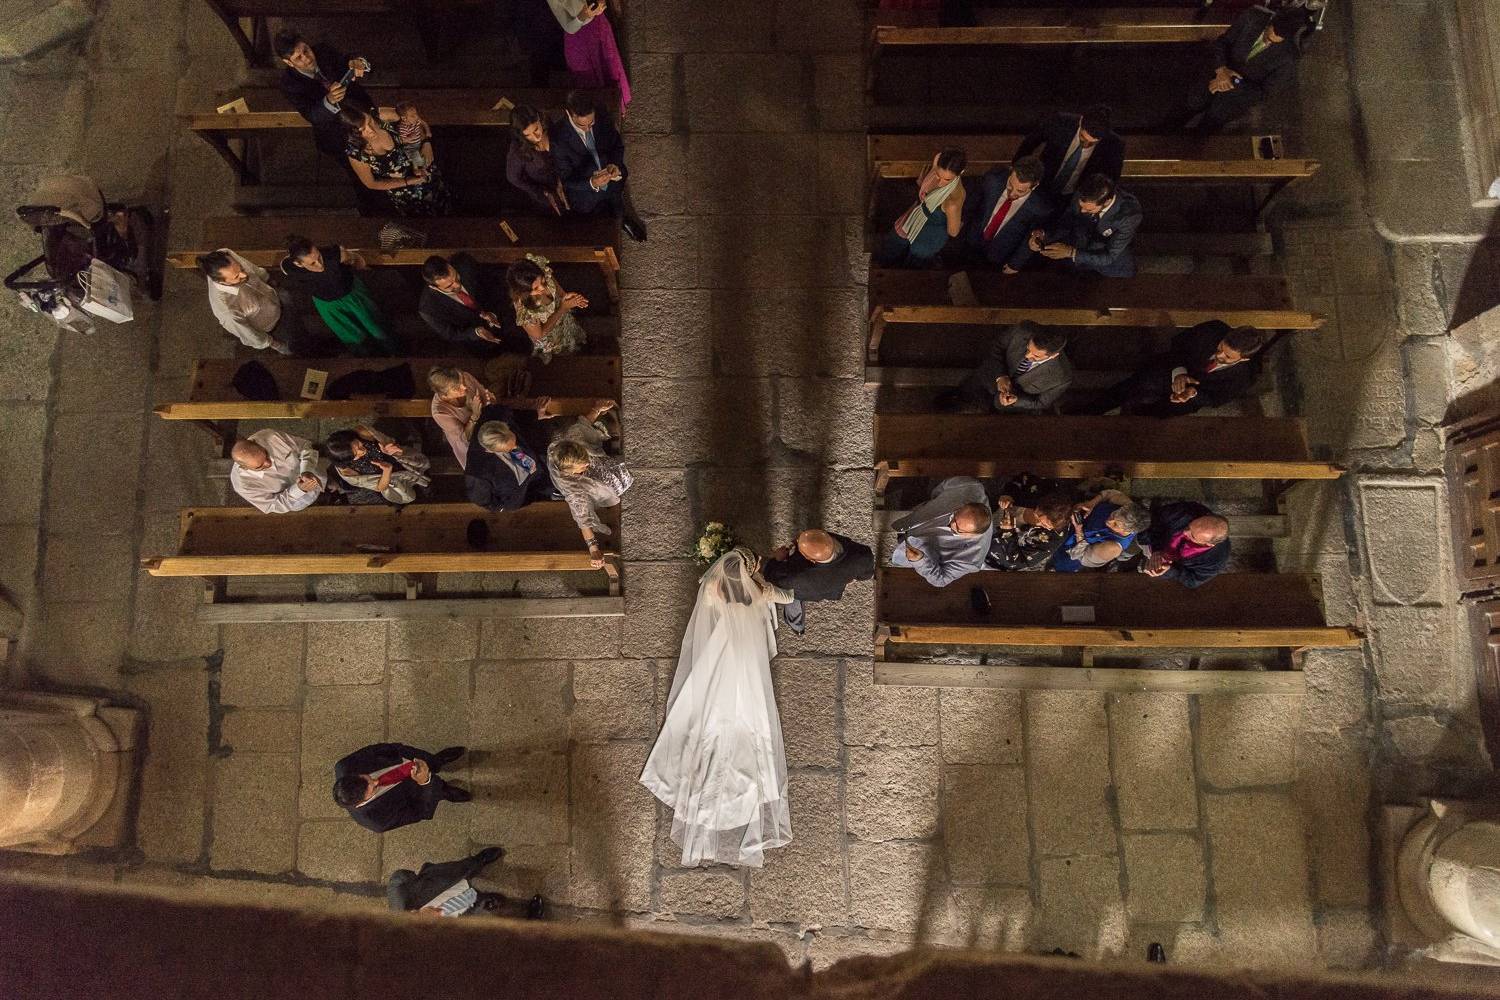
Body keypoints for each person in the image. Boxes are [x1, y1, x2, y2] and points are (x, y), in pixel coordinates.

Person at [640, 547, 795, 868]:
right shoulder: (758, 593)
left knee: (706, 712)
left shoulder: (712, 591)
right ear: (748, 571)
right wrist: (762, 583)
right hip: (747, 664)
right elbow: (788, 598)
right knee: (751, 717)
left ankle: (706, 790)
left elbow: (707, 599)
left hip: (720, 654)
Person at [1091, 321, 1268, 416]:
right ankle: (1090, 410)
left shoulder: (1245, 377)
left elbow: (1216, 399)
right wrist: (1180, 372)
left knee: (1152, 415)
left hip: (1184, 401)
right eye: (1221, 347)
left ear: (1244, 359)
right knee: (1131, 387)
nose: (1219, 355)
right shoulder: (1212, 330)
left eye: (1228, 357)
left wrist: (1192, 394)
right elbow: (1178, 343)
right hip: (1167, 369)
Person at [1183, 7, 1311, 135]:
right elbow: (1222, 42)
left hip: (1232, 101)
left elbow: (1264, 93)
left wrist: (1233, 80)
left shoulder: (1290, 56)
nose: (1267, 42)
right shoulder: (1251, 17)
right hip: (1212, 76)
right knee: (1187, 108)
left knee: (1205, 131)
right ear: (1270, 22)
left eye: (1272, 42)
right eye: (1267, 36)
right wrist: (1221, 69)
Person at [545, 400, 631, 568]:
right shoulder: (574, 489)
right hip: (591, 483)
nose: (587, 465)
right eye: (582, 466)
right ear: (568, 471)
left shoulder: (571, 440)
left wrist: (597, 409)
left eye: (585, 461)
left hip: (596, 464)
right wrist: (594, 549)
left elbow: (581, 425)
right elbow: (583, 520)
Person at [550, 91, 646, 240]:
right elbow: (567, 179)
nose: (588, 129)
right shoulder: (558, 138)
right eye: (582, 125)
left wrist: (615, 163)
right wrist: (591, 183)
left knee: (616, 200)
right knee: (596, 221)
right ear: (569, 114)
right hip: (585, 192)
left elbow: (617, 145)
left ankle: (622, 220)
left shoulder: (602, 116)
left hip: (611, 176)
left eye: (591, 123)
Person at [278, 237, 396, 356]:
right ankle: (366, 357)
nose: (320, 265)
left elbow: (357, 260)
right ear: (298, 264)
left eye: (319, 257)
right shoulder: (290, 267)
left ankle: (392, 351)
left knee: (375, 325)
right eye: (312, 263)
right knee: (351, 334)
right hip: (328, 306)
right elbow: (284, 263)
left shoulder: (335, 255)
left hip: (352, 296)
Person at [333, 742, 470, 834]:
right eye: (372, 789)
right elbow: (421, 811)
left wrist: (407, 753)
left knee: (430, 761)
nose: (375, 782)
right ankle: (444, 791)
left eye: (367, 778)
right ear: (360, 802)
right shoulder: (378, 820)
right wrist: (425, 783)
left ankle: (437, 761)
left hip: (407, 761)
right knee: (438, 789)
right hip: (417, 790)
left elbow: (380, 749)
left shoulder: (345, 765)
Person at [273, 31, 373, 158]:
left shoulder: (323, 51)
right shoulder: (289, 84)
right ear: (289, 63)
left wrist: (359, 62)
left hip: (361, 108)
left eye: (306, 50)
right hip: (337, 133)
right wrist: (329, 101)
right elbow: (312, 115)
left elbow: (348, 59)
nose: (307, 58)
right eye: (298, 58)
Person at [759, 529, 876, 636]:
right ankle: (797, 626)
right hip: (834, 588)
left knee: (791, 597)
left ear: (811, 560)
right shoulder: (862, 556)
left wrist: (777, 559)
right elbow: (866, 575)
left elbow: (771, 575)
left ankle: (797, 624)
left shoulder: (795, 577)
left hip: (806, 589)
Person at [341, 106, 452, 216]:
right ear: (352, 133)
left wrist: (426, 142)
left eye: (369, 122)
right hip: (404, 192)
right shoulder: (356, 153)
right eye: (362, 130)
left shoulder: (382, 116)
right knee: (422, 221)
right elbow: (371, 183)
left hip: (422, 164)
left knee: (444, 202)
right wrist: (408, 181)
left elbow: (416, 121)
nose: (371, 130)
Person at [942, 321, 1072, 414]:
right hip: (988, 376)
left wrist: (1016, 400)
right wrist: (1000, 376)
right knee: (962, 398)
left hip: (1008, 408)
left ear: (1054, 356)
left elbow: (1041, 403)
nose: (1027, 356)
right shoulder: (1021, 331)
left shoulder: (1061, 378)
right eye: (1028, 348)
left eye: (1036, 356)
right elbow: (997, 347)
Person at [1029, 173, 1142, 278]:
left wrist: (1072, 253)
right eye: (1081, 206)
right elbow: (1068, 222)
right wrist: (1044, 234)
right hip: (1076, 262)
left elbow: (1110, 256)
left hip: (1110, 270)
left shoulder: (1129, 215)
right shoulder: (1083, 194)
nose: (1082, 211)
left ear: (1107, 202)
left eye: (1089, 209)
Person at [387, 846, 546, 919]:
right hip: (466, 910)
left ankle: (480, 859)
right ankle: (531, 922)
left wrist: (418, 878)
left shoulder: (400, 901)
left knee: (464, 867)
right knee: (494, 907)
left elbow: (398, 878)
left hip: (446, 881)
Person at [890, 477, 995, 587]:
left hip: (914, 550)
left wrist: (920, 561)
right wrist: (934, 499)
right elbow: (943, 486)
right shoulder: (970, 486)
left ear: (972, 535)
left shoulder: (971, 560)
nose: (951, 524)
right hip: (916, 513)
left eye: (958, 529)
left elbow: (941, 580)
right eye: (954, 517)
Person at [874, 148, 966, 268]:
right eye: (938, 175)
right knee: (895, 240)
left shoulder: (953, 201)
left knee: (916, 255)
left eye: (947, 180)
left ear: (961, 172)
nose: (940, 183)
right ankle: (883, 263)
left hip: (931, 229)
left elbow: (953, 232)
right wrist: (924, 184)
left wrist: (956, 221)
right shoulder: (938, 159)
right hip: (917, 213)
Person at [419, 253, 529, 354]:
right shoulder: (428, 309)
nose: (457, 285)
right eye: (449, 286)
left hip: (503, 315)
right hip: (479, 343)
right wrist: (476, 332)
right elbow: (450, 334)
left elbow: (492, 284)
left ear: (450, 265)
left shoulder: (464, 263)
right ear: (433, 287)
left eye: (456, 277)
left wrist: (492, 312)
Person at [959, 155, 1053, 272]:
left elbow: (1032, 237)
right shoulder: (993, 179)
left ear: (1035, 186)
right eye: (1010, 185)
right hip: (973, 238)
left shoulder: (1040, 207)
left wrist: (1015, 264)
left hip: (1000, 253)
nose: (1011, 193)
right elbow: (974, 200)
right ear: (1011, 171)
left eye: (1020, 191)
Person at [1013, 104, 1125, 201]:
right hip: (1042, 184)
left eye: (1092, 143)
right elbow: (1029, 143)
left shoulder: (1114, 144)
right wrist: (1017, 170)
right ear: (1081, 121)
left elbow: (1112, 178)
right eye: (1083, 138)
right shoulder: (1060, 122)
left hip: (1075, 196)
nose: (1085, 145)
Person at [197, 249, 294, 355]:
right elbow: (250, 335)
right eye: (236, 277)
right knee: (295, 344)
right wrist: (277, 345)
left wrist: (269, 280)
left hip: (274, 296)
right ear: (221, 282)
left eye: (241, 269)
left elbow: (254, 269)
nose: (244, 275)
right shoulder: (227, 311)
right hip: (273, 325)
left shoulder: (226, 254)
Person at [465, 405, 555, 512]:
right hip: (517, 492)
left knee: (545, 481)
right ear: (490, 451)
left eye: (514, 442)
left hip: (535, 471)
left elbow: (515, 415)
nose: (516, 447)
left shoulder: (496, 414)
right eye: (509, 449)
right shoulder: (478, 471)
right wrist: (503, 507)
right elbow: (482, 499)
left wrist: (536, 414)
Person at [507, 253, 589, 362]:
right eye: (535, 288)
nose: (542, 287)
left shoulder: (540, 273)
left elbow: (556, 288)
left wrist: (565, 296)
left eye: (542, 281)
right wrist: (563, 308)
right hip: (550, 334)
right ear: (524, 292)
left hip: (561, 318)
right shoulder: (526, 312)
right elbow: (540, 334)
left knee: (570, 334)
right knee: (563, 352)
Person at [986, 475, 1076, 572]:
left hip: (1007, 547)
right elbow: (1021, 479)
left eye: (1045, 525)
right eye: (1038, 517)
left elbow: (1016, 562)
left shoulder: (1052, 538)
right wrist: (1008, 494)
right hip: (1003, 514)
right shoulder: (1042, 490)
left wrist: (1007, 532)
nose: (1038, 524)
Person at [558, 1, 631, 116]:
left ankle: (613, 109)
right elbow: (569, 25)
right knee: (584, 76)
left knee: (609, 66)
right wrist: (585, 15)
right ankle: (590, 115)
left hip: (597, 24)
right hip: (576, 37)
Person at [326, 426, 431, 506]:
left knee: (420, 467)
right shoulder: (347, 471)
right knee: (407, 493)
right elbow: (379, 487)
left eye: (358, 445)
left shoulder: (362, 432)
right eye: (356, 454)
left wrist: (391, 449)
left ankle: (424, 478)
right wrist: (387, 470)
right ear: (347, 460)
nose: (362, 450)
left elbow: (390, 442)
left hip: (399, 460)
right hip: (389, 478)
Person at [228, 430, 328, 514]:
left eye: (266, 454)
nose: (268, 463)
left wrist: (307, 469)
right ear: (244, 468)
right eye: (259, 466)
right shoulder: (243, 485)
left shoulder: (271, 437)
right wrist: (299, 490)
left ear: (256, 442)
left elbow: (305, 446)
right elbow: (272, 505)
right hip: (297, 500)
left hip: (316, 472)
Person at [1052, 488, 1151, 573]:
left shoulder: (1113, 547)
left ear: (1127, 531)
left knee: (1055, 564)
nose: (1109, 520)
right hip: (1068, 521)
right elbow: (1109, 494)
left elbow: (1082, 557)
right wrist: (1092, 503)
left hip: (1069, 550)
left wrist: (1079, 530)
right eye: (1114, 514)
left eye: (1115, 524)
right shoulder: (1128, 507)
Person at [1140, 502, 1231, 588]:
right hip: (1151, 542)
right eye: (1189, 526)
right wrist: (1156, 548)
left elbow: (1192, 581)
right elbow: (1156, 519)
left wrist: (1170, 570)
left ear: (1209, 544)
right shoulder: (1189, 510)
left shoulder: (1215, 560)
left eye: (1192, 536)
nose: (1184, 532)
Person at [428, 366, 496, 468]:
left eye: (462, 382)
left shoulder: (465, 377)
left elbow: (485, 397)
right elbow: (464, 438)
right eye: (457, 388)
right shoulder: (440, 411)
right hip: (471, 447)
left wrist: (490, 400)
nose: (464, 387)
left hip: (490, 432)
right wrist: (475, 416)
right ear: (444, 394)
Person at [506, 105, 566, 214]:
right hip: (545, 190)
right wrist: (539, 190)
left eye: (536, 129)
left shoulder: (551, 124)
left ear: (539, 119)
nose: (536, 137)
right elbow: (513, 178)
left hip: (567, 179)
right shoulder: (518, 150)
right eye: (528, 135)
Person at [393, 101, 433, 169]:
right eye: (412, 116)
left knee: (426, 155)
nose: (416, 117)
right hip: (410, 146)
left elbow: (424, 124)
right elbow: (401, 140)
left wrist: (428, 132)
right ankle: (416, 168)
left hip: (418, 143)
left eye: (416, 114)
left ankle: (424, 166)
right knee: (415, 156)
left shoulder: (417, 120)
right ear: (404, 118)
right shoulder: (403, 128)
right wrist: (410, 138)